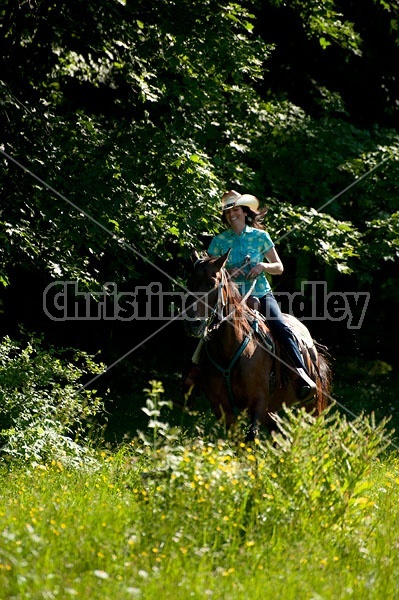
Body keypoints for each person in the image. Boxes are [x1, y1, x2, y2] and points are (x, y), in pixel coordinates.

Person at [183, 189, 316, 402]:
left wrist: (262, 265)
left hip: (260, 293)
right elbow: (210, 273)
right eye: (227, 212)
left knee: (280, 327)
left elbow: (279, 267)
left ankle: (300, 374)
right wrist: (232, 272)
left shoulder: (261, 237)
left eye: (235, 209)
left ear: (245, 211)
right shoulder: (218, 241)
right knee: (206, 330)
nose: (232, 214)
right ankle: (196, 377)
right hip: (228, 300)